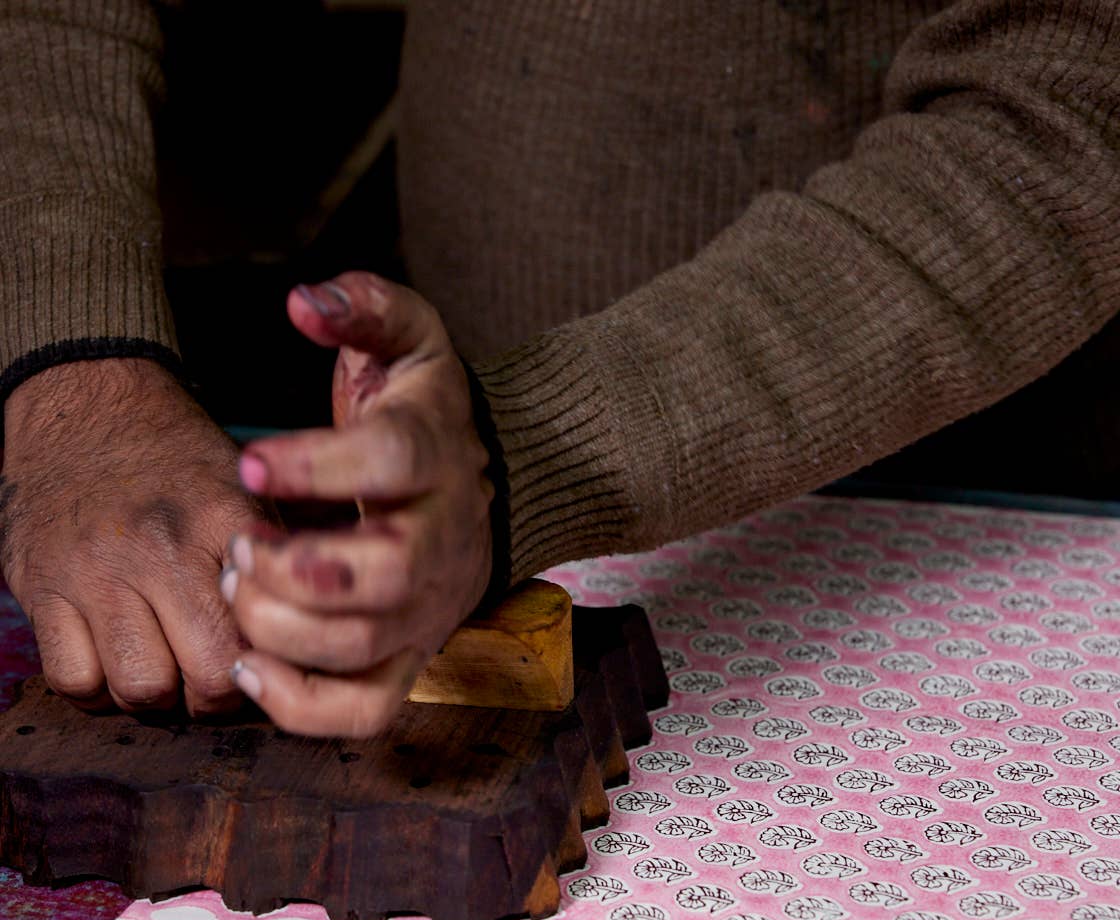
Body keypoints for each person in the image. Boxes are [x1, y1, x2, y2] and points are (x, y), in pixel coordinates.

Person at [1, 1, 1117, 737]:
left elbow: (1066, 109)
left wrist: (532, 442)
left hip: (977, 516)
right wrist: (76, 374)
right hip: (442, 450)